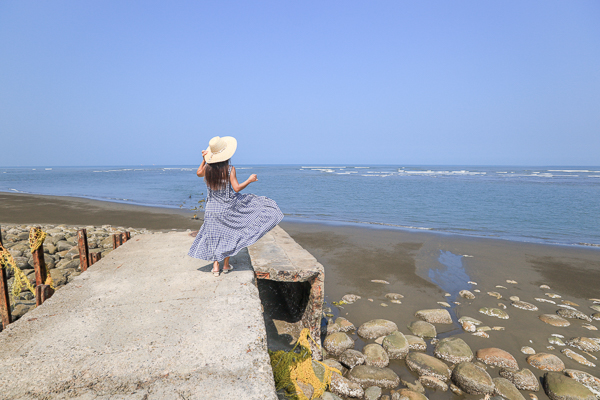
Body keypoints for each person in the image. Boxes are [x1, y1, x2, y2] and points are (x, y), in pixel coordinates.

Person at [188, 136, 283, 276]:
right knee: (229, 234)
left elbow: (198, 173)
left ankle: (215, 268)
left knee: (214, 236)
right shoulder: (229, 169)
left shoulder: (207, 169)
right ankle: (226, 265)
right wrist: (250, 180)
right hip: (227, 208)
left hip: (211, 210)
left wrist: (204, 159)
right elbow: (237, 188)